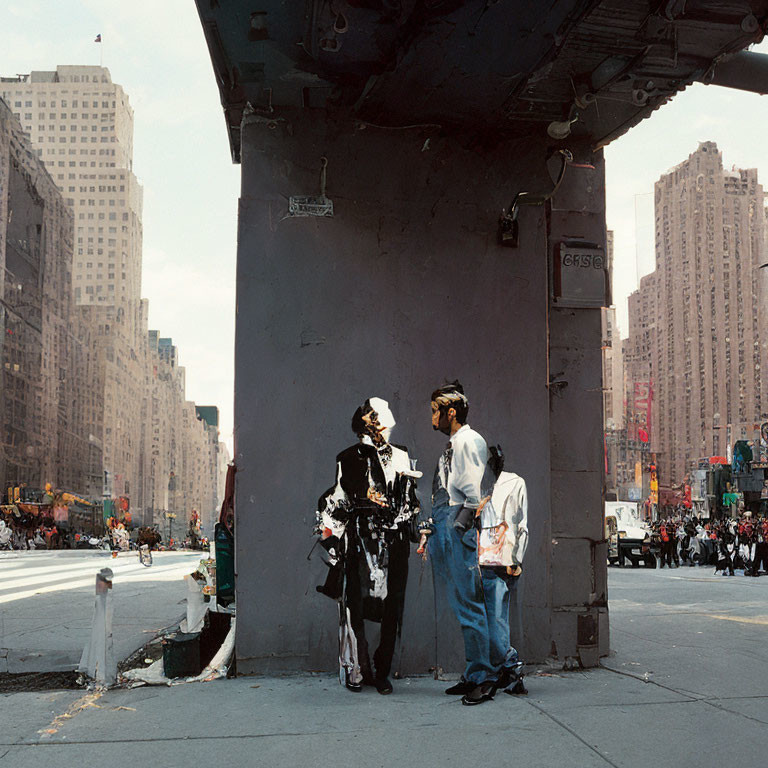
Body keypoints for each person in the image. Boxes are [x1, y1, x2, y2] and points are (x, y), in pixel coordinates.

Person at [315, 397, 421, 695]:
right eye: (379, 416)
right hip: (360, 537)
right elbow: (337, 498)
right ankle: (359, 669)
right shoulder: (347, 458)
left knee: (393, 606)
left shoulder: (402, 455)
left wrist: (409, 522)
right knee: (355, 604)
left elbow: (411, 499)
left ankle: (382, 670)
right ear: (369, 421)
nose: (388, 423)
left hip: (395, 538)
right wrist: (330, 536)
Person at [424, 380, 521, 706]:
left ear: (451, 411)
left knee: (472, 606)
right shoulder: (454, 444)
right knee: (464, 606)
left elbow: (477, 492)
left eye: (435, 411)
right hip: (447, 525)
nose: (432, 417)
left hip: (458, 527)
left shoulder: (470, 441)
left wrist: (458, 528)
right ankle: (474, 671)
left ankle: (485, 677)